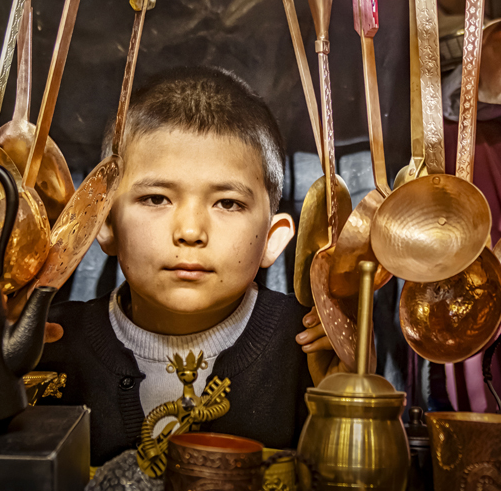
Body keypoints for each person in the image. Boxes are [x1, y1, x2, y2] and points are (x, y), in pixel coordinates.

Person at [36, 66, 339, 467]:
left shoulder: (312, 348)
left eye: (228, 203)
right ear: (105, 224)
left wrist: (345, 397)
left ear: (272, 239)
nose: (191, 232)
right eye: (156, 199)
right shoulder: (45, 343)